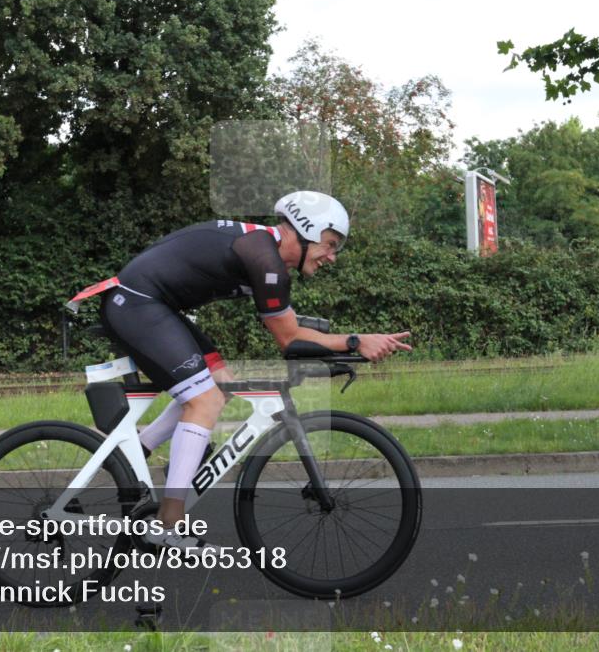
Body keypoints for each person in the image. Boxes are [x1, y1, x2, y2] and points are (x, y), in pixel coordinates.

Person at [94, 191, 412, 553]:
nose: (332, 257)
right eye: (330, 244)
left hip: (153, 304)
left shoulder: (266, 254)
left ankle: (133, 452)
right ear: (306, 230)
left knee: (220, 385)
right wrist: (356, 341)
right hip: (138, 302)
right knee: (205, 400)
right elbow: (289, 339)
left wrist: (345, 345)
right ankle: (169, 523)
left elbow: (290, 327)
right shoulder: (264, 258)